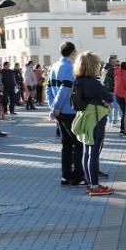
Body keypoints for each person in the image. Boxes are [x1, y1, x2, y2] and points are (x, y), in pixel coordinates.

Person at [70, 51, 114, 196]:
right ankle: (95, 186)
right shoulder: (93, 83)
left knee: (87, 152)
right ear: (93, 66)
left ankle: (91, 183)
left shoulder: (78, 81)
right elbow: (108, 97)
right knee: (94, 153)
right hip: (96, 119)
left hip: (84, 119)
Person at [48, 41, 84, 185]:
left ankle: (65, 175)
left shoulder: (54, 66)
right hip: (69, 110)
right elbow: (65, 90)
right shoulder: (70, 68)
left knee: (66, 145)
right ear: (73, 53)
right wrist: (57, 107)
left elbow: (48, 88)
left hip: (60, 113)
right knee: (77, 144)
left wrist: (53, 107)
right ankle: (77, 176)